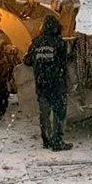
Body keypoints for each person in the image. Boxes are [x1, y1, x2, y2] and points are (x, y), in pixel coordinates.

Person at [23, 16, 72, 152]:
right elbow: (65, 61)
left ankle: (46, 140)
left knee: (44, 113)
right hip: (57, 84)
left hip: (41, 84)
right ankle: (57, 141)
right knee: (58, 113)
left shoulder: (36, 43)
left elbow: (27, 61)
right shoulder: (60, 43)